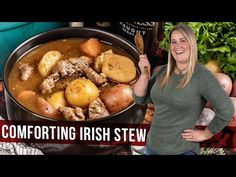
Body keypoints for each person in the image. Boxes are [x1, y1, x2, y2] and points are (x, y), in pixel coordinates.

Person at [132, 23, 234, 155]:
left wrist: (205, 134)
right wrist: (144, 72)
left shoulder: (202, 75)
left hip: (182, 150)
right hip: (152, 147)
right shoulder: (163, 71)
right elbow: (139, 98)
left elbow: (227, 110)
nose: (177, 46)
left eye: (182, 41)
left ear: (191, 44)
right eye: (173, 41)